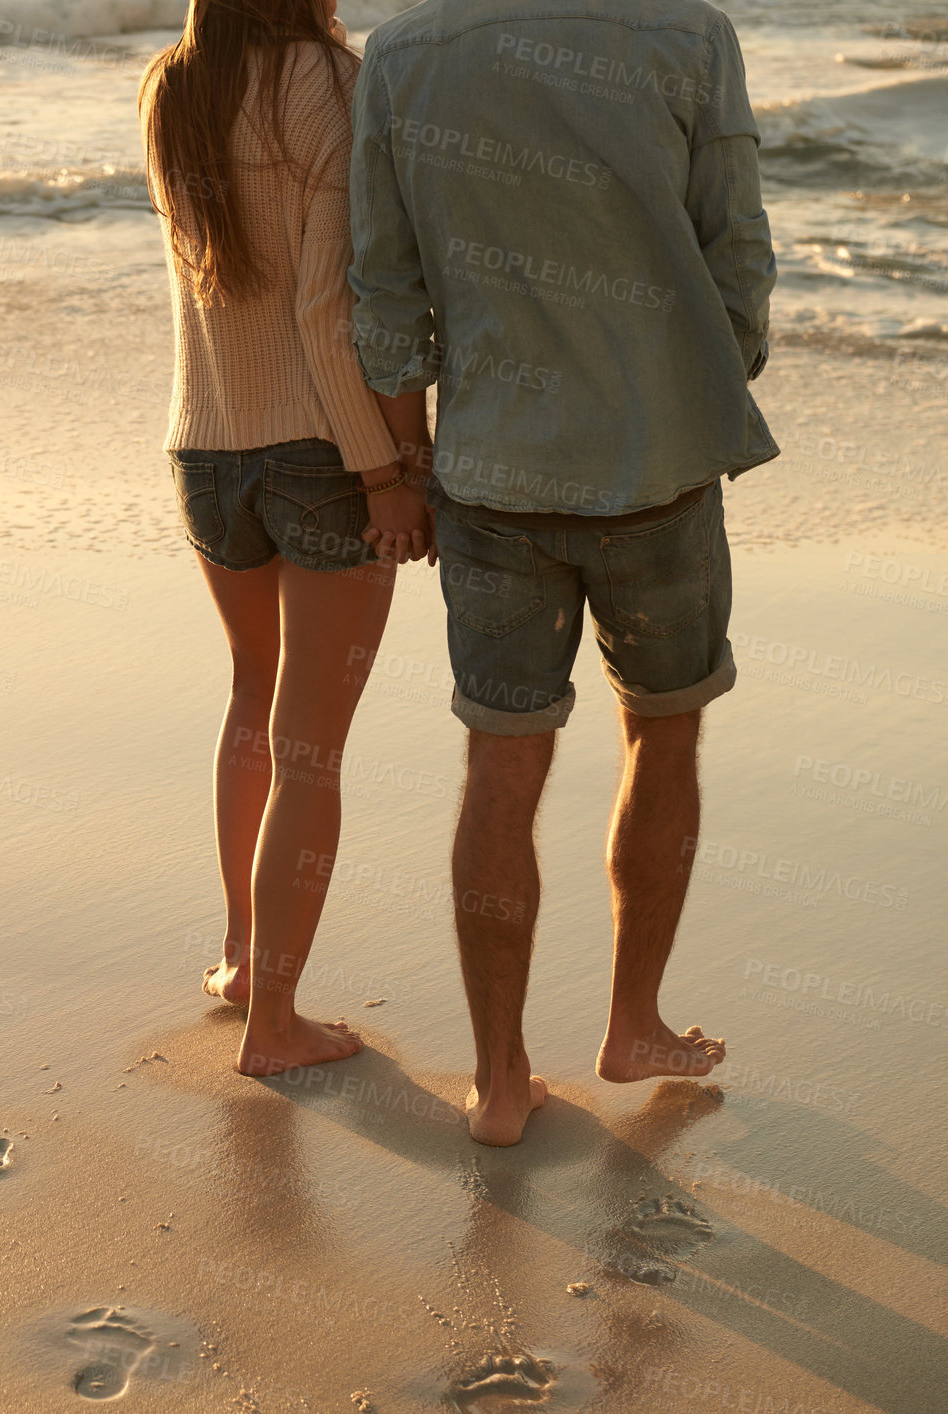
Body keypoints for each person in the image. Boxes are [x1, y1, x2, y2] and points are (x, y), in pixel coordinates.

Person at [349, 0, 778, 1143]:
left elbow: (383, 294)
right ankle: (632, 1021)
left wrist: (406, 458)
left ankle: (497, 1081)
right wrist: (698, 377)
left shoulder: (402, 53)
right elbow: (736, 251)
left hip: (490, 472)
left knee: (500, 761)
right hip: (663, 467)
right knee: (665, 729)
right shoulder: (687, 35)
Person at [139, 0, 433, 1076]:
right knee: (310, 746)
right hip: (319, 453)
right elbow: (326, 308)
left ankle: (237, 957)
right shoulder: (336, 83)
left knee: (250, 696)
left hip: (202, 448)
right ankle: (274, 1022)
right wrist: (387, 472)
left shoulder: (173, 82)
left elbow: (213, 280)